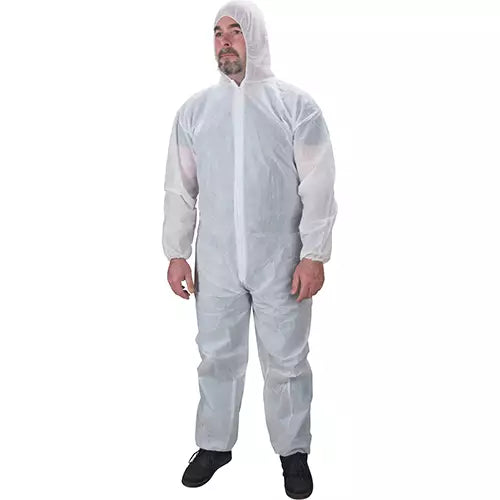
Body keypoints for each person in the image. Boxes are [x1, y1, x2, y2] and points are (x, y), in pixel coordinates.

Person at [162, 1, 338, 498]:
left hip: (281, 260)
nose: (225, 40)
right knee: (215, 356)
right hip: (216, 261)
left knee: (287, 360)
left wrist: (314, 254)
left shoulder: (295, 106)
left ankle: (293, 453)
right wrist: (176, 252)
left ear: (255, 37)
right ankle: (214, 445)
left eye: (235, 30)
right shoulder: (195, 112)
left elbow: (319, 184)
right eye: (217, 32)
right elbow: (180, 188)